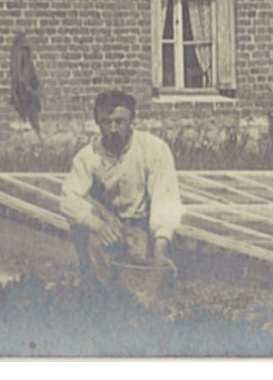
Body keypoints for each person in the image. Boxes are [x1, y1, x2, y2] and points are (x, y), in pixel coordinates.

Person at [59, 90, 182, 292]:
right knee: (83, 211)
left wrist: (158, 259)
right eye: (107, 122)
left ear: (132, 120)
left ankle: (147, 273)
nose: (113, 129)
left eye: (119, 121)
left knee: (143, 282)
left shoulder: (154, 149)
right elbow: (67, 199)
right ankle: (94, 284)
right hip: (109, 226)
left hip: (141, 226)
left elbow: (165, 202)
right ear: (97, 122)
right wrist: (98, 225)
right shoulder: (88, 156)